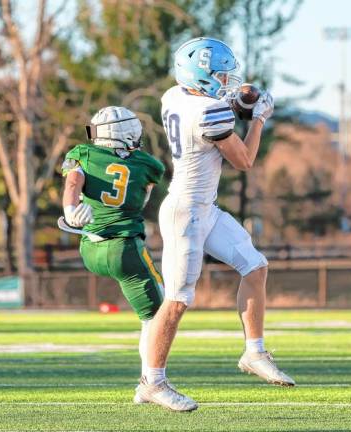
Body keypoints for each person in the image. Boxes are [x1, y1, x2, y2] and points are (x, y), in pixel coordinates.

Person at [136, 37, 295, 412]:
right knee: (176, 301)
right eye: (221, 76)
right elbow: (244, 160)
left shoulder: (174, 96)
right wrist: (258, 119)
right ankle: (152, 382)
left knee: (255, 266)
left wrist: (241, 95)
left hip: (203, 208)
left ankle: (254, 352)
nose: (227, 82)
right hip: (185, 213)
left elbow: (222, 101)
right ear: (202, 78)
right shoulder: (209, 113)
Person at [61, 106, 166, 400]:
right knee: (158, 317)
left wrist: (70, 210)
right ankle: (151, 382)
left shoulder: (83, 153)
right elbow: (141, 195)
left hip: (90, 246)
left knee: (154, 308)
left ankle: (149, 382)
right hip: (124, 248)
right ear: (128, 132)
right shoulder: (149, 164)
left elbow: (73, 183)